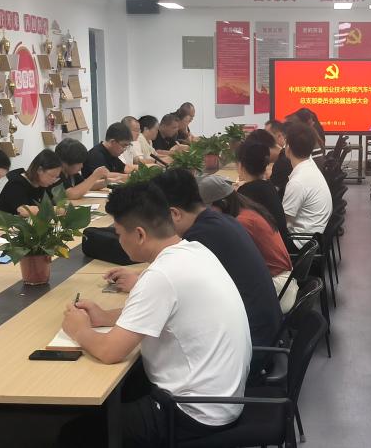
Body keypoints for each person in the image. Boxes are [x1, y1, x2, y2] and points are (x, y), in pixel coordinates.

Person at [58, 182, 250, 448]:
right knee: (123, 390)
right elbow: (162, 311)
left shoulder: (161, 275)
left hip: (194, 413)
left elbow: (110, 351)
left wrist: (79, 330)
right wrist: (105, 317)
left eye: (118, 233)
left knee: (75, 433)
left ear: (139, 234)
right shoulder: (194, 251)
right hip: (223, 398)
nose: (118, 241)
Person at [146, 169, 282, 355]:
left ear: (174, 214)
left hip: (250, 346)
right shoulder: (221, 221)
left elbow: (169, 293)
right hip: (265, 333)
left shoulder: (198, 238)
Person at [199, 175, 297, 313]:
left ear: (223, 204)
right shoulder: (247, 209)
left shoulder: (241, 222)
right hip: (282, 282)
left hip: (278, 290)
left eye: (208, 209)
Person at [236, 141, 294, 253]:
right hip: (281, 247)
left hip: (268, 253)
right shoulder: (268, 186)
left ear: (241, 166)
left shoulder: (246, 192)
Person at [282, 121, 333, 246]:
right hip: (315, 236)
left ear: (288, 148)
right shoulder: (310, 164)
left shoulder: (298, 182)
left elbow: (284, 222)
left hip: (301, 242)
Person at [0, 149, 62, 218]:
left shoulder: (42, 184)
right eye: (52, 176)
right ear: (39, 170)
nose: (54, 180)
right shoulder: (16, 184)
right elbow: (24, 211)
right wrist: (56, 210)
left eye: (56, 177)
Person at [265, 120, 294, 194]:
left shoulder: (285, 159)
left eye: (267, 135)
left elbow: (272, 191)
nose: (264, 138)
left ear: (279, 135)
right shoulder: (286, 154)